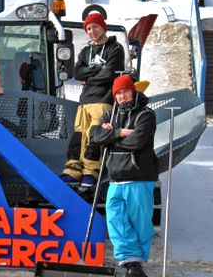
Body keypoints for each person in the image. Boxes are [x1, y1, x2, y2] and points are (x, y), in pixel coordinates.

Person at [89, 74, 158, 277]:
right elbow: (95, 135)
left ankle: (139, 261)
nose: (121, 97)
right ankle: (131, 262)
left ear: (133, 91)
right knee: (116, 221)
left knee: (140, 222)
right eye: (118, 93)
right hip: (115, 178)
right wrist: (119, 133)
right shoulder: (110, 115)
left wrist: (109, 138)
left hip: (139, 176)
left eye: (125, 91)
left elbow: (136, 141)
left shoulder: (146, 114)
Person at [60, 12, 125, 187]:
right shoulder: (86, 51)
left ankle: (91, 171)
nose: (92, 31)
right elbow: (77, 72)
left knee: (94, 135)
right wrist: (96, 72)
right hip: (85, 100)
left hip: (103, 98)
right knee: (79, 135)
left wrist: (89, 76)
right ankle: (73, 169)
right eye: (88, 28)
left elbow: (109, 74)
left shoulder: (115, 49)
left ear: (103, 26)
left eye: (95, 26)